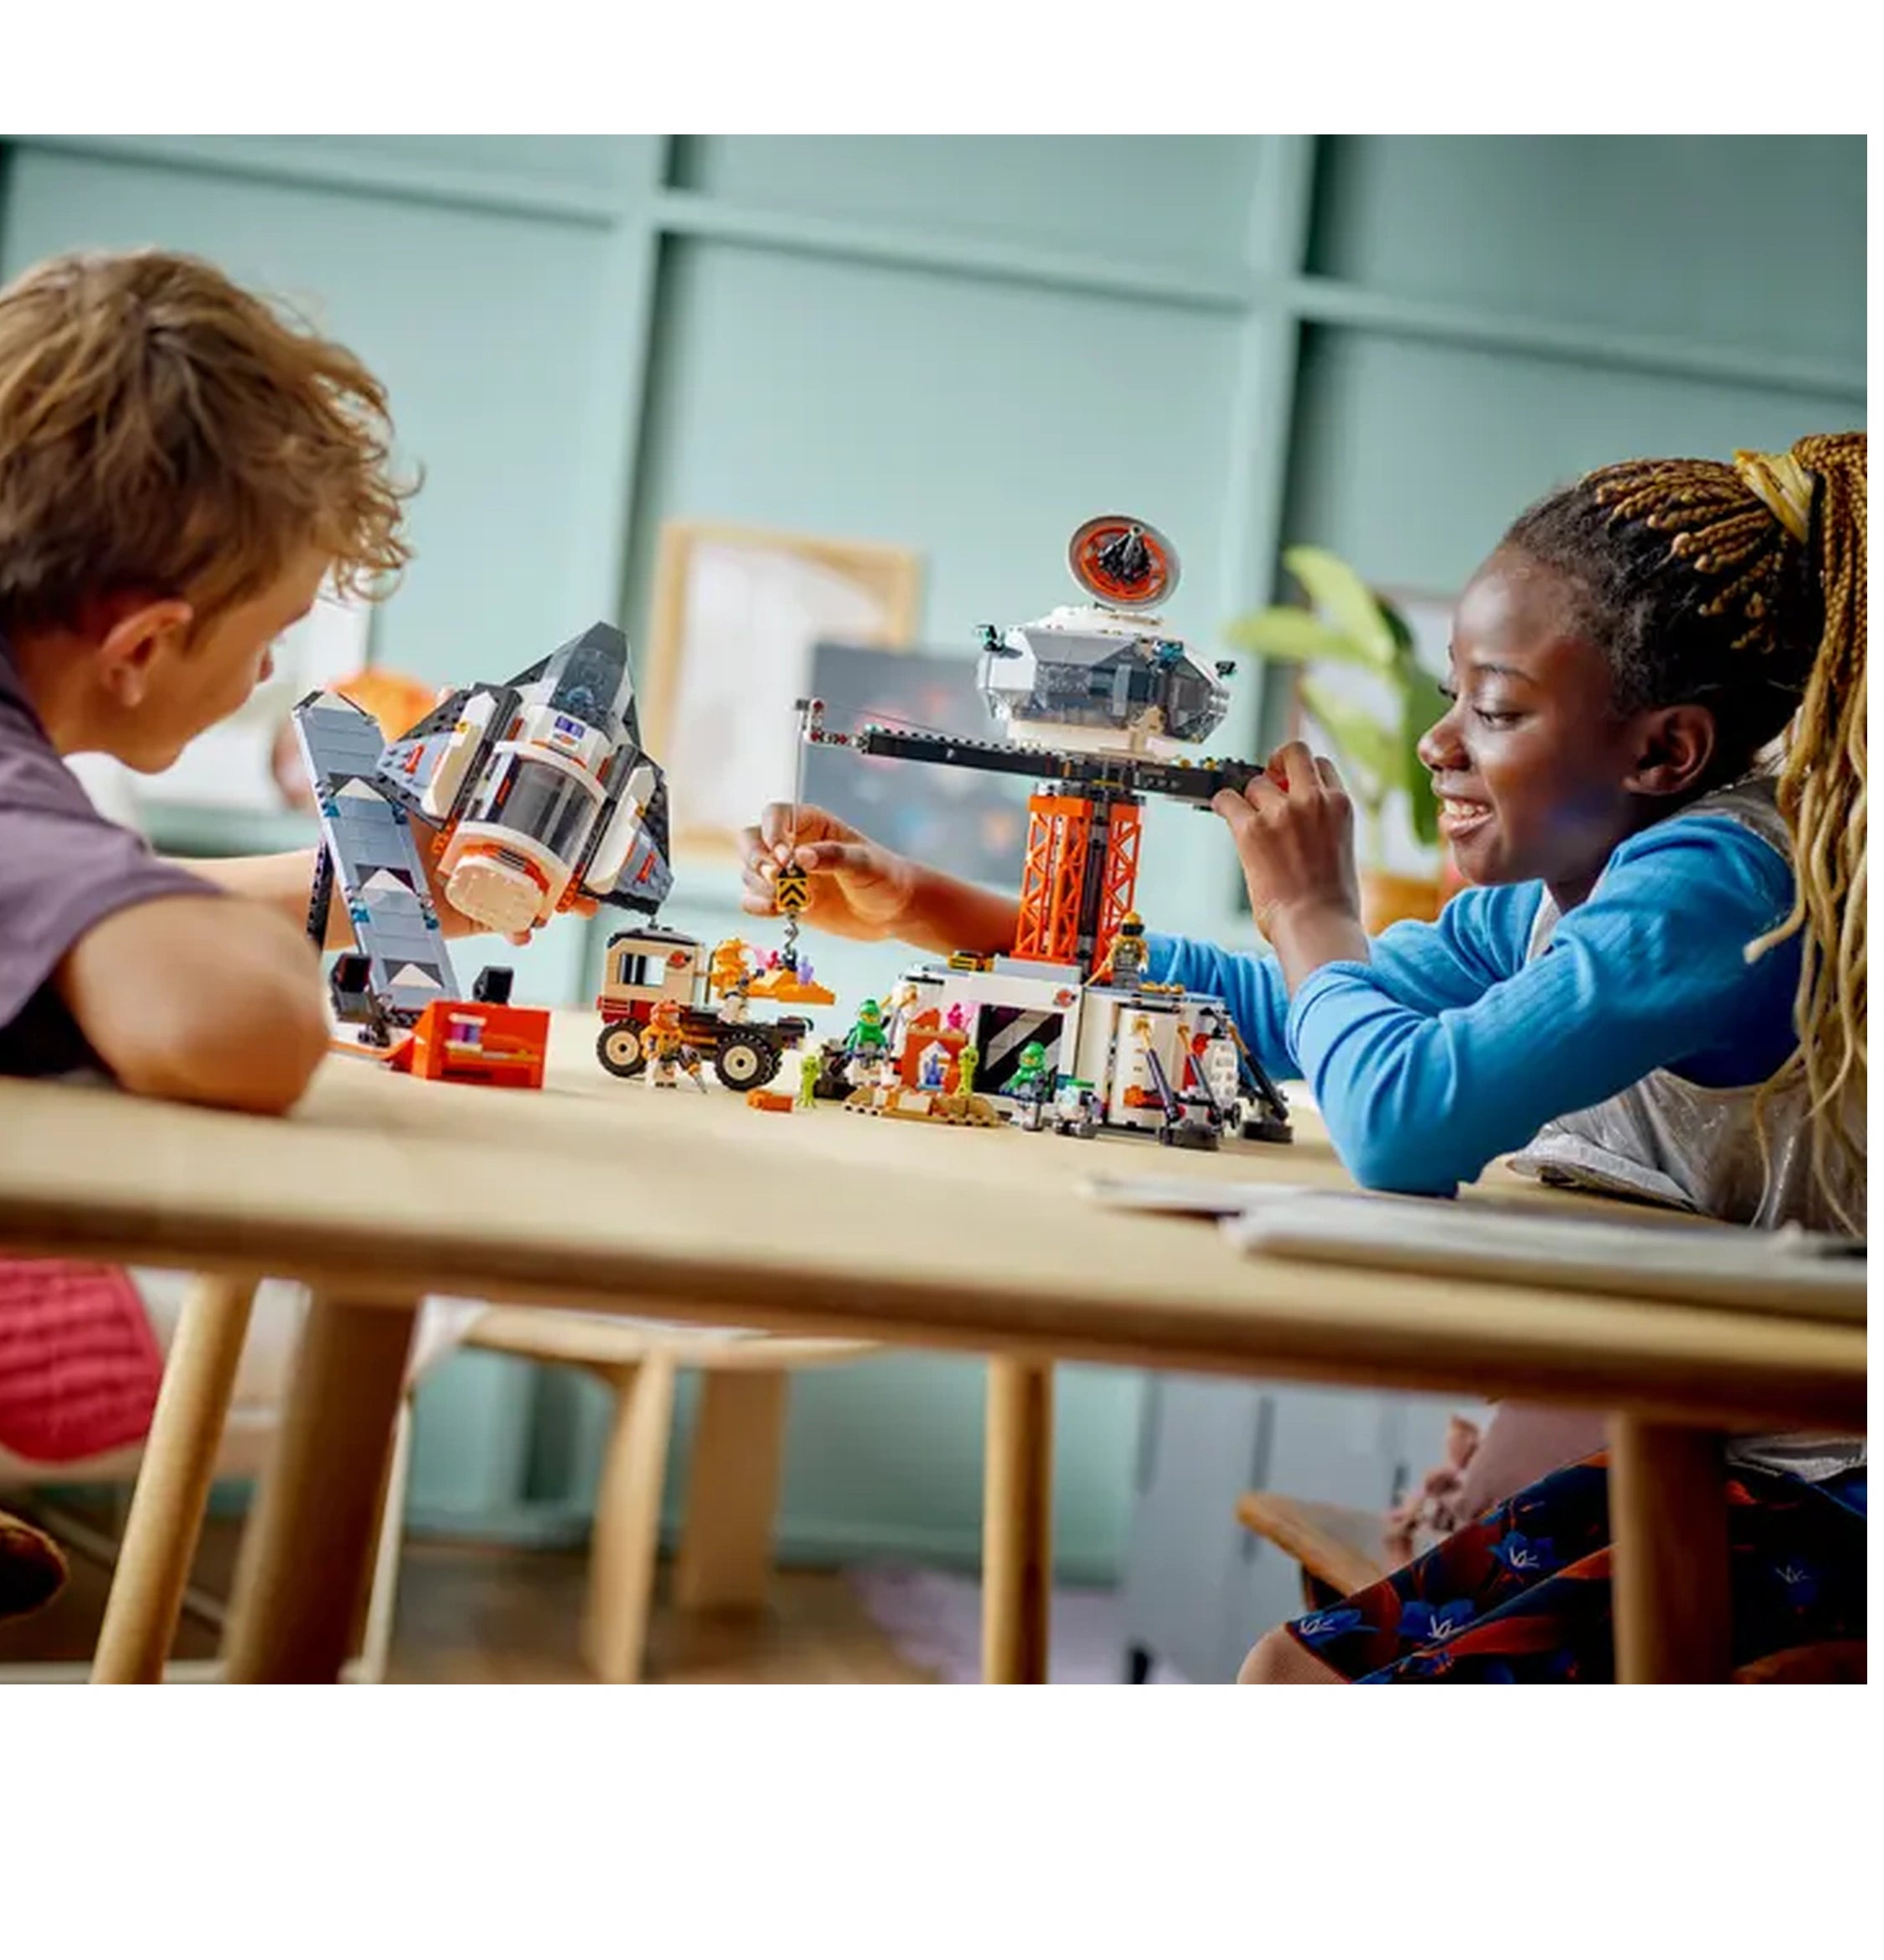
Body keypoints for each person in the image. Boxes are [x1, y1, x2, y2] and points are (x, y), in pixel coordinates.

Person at [738, 433, 1867, 1684]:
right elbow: (1288, 1012)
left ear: (1664, 752)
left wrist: (1307, 911)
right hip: (1710, 1441)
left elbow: (1401, 1119)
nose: (1441, 744)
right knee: (1290, 1667)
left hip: (1823, 1489)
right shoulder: (1563, 896)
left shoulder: (1720, 880)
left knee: (1295, 1679)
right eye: (1452, 694)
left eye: (1493, 709)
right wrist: (932, 906)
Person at [0, 246, 496, 1119]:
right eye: (270, 636)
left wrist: (384, 886)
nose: (267, 671)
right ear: (140, 648)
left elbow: (43, 900)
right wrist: (267, 954)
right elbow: (241, 1028)